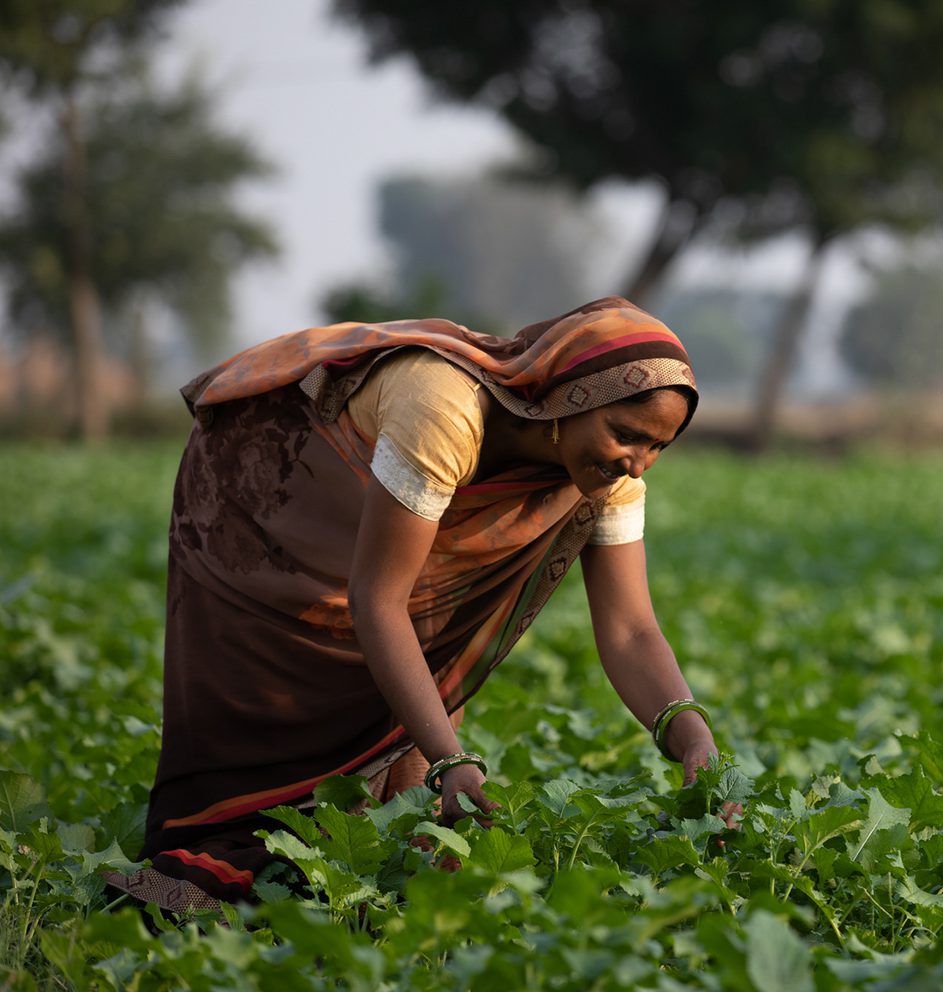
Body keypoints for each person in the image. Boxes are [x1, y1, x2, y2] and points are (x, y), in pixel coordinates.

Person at [106, 296, 729, 912]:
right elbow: (379, 600)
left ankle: (360, 841)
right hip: (270, 497)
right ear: (570, 398)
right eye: (626, 435)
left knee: (391, 847)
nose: (637, 464)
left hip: (378, 538)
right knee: (273, 709)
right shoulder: (444, 407)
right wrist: (452, 759)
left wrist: (693, 737)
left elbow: (630, 629)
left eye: (658, 447)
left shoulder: (609, 477)